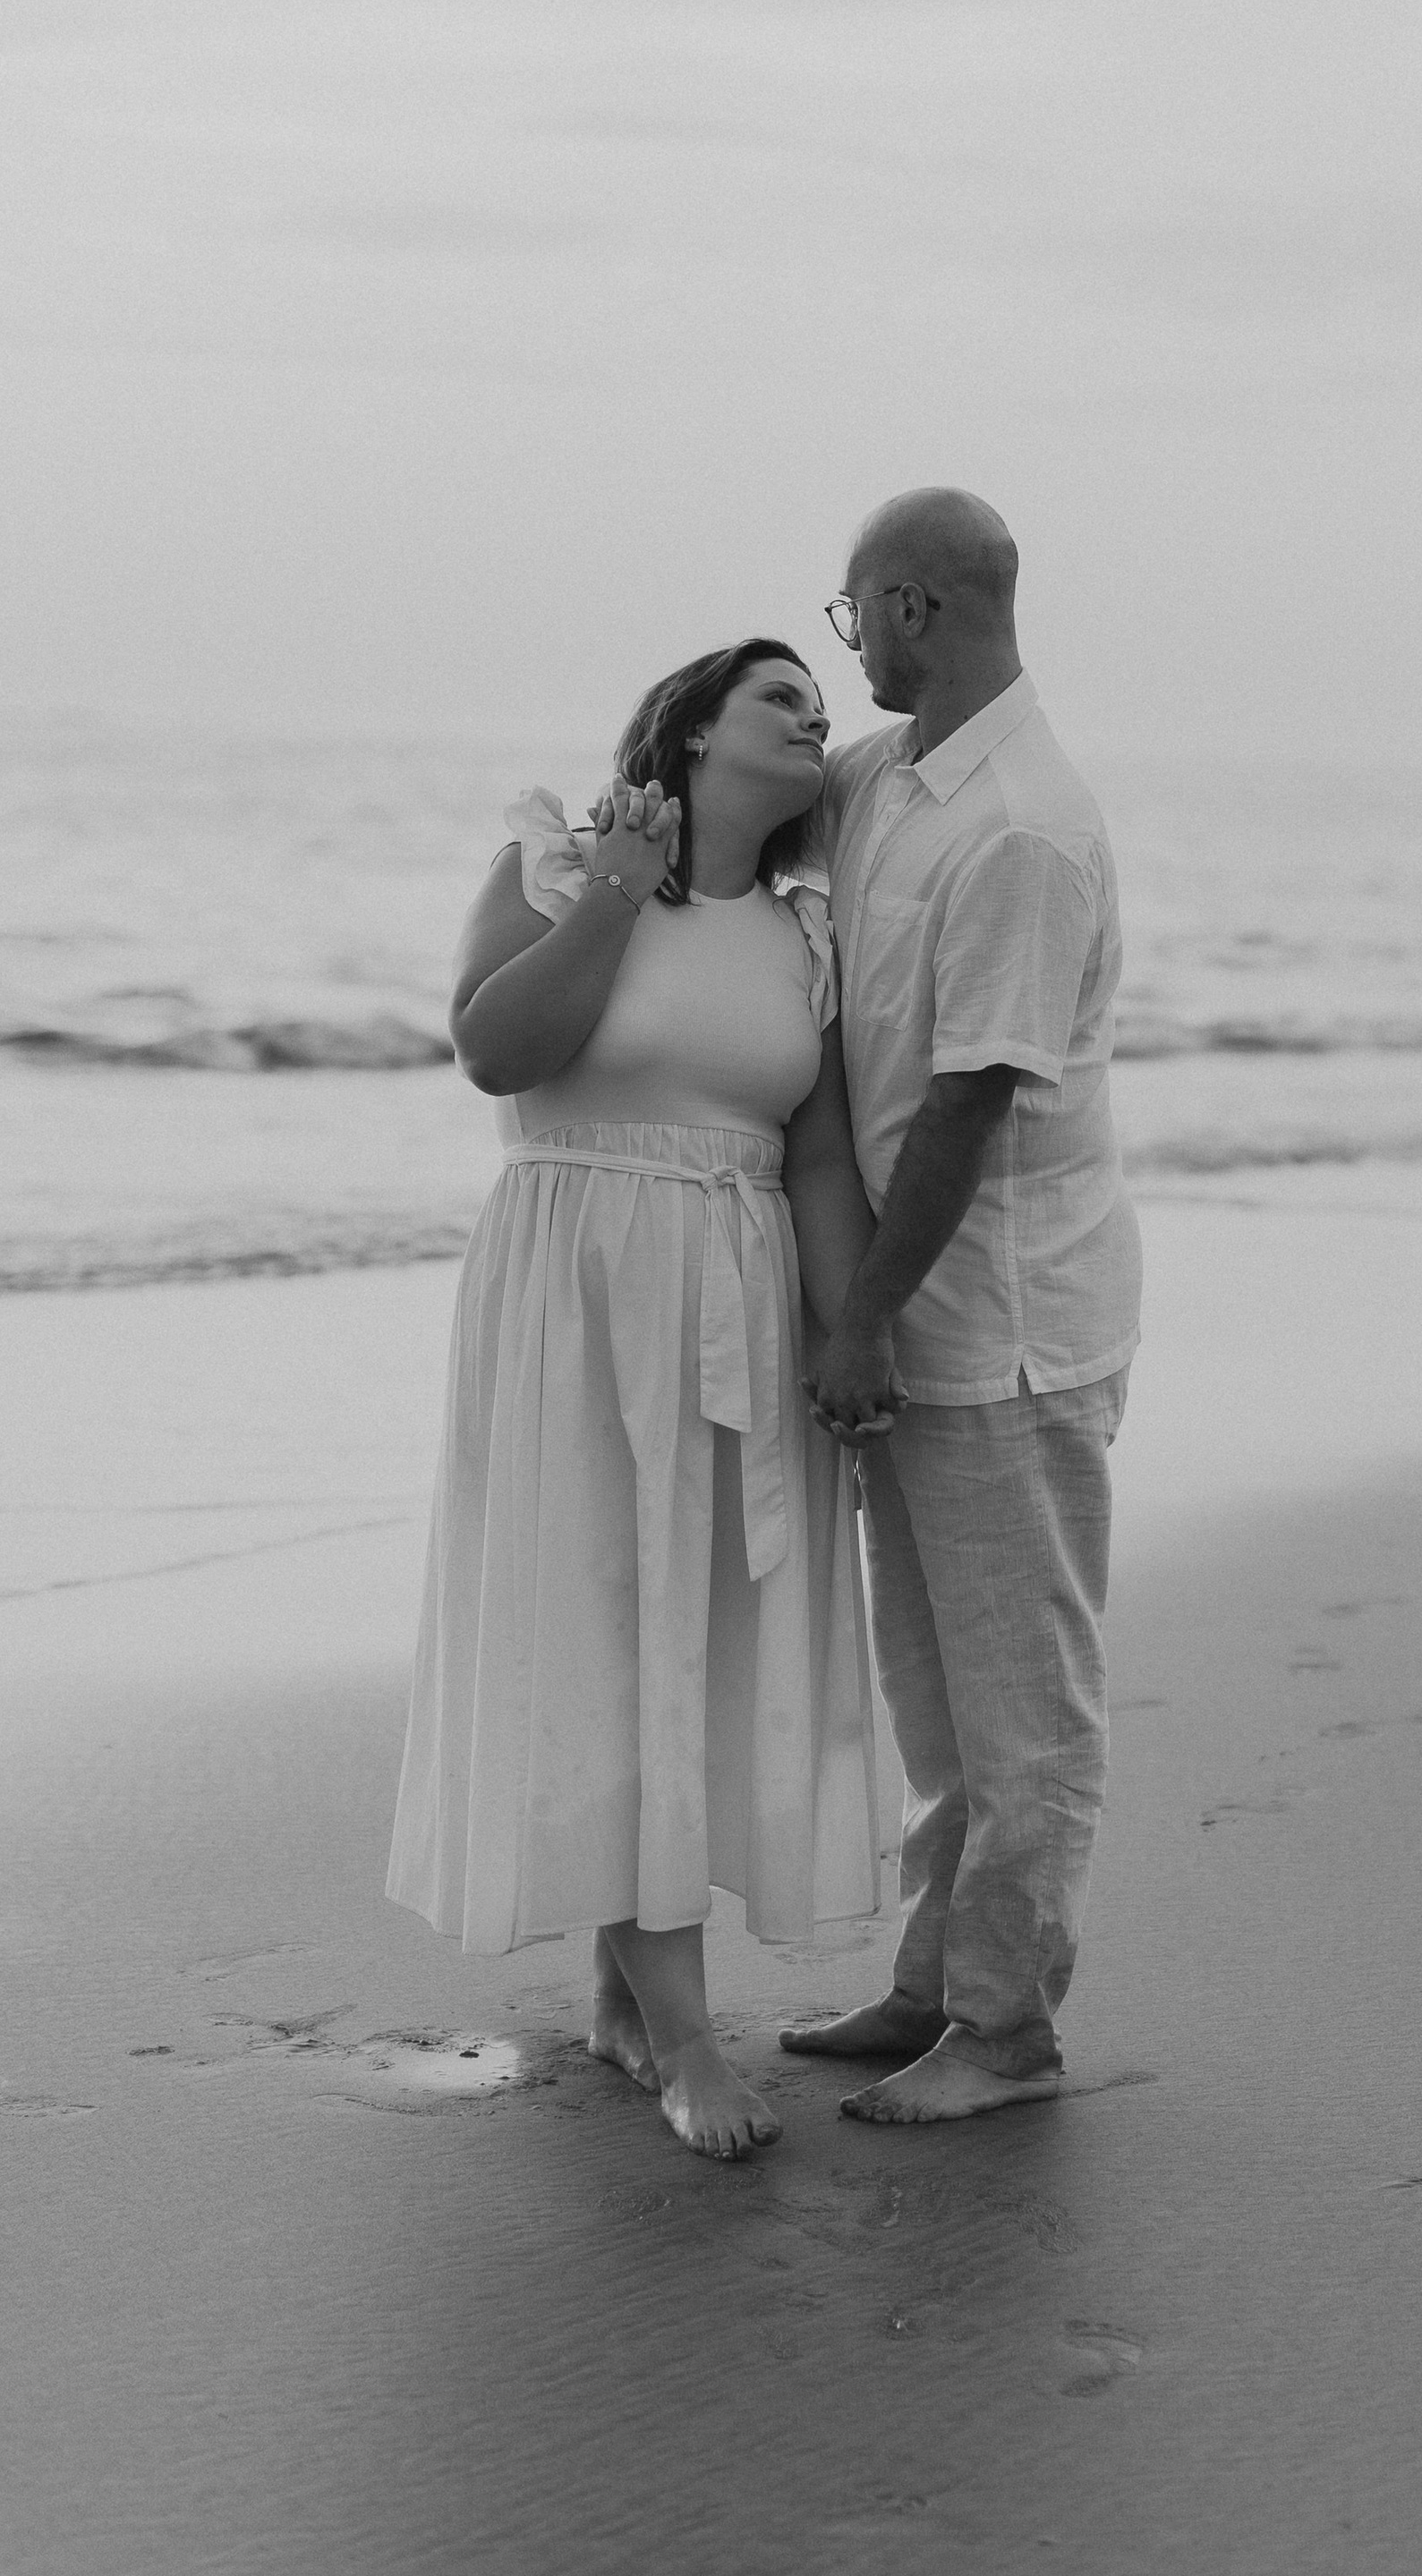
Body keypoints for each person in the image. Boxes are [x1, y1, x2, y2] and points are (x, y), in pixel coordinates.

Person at [386, 641, 886, 2161]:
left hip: (734, 1298)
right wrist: (611, 886)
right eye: (779, 698)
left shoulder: (808, 934)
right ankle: (681, 2039)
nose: (816, 717)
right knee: (612, 1621)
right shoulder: (550, 860)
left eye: (822, 704)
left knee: (693, 1634)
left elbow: (809, 1154)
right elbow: (493, 1048)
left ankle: (623, 1987)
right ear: (689, 732)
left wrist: (849, 1329)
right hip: (578, 1299)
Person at [782, 489, 1142, 2123]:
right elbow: (750, 807)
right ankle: (938, 1982)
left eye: (852, 615)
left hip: (1005, 1320)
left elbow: (972, 1099)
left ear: (915, 604)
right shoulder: (890, 782)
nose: (846, 642)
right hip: (914, 1317)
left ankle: (1009, 2032)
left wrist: (855, 1318)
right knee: (934, 1688)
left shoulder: (1024, 823)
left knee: (1023, 1701)